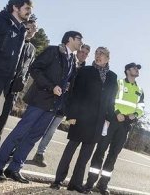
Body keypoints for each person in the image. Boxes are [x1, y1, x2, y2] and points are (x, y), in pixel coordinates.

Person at [0, 31, 82, 183]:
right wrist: (51, 86)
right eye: (79, 39)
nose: (81, 42)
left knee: (33, 138)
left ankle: (14, 169)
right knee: (19, 133)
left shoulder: (73, 60)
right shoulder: (53, 51)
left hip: (53, 106)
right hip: (39, 100)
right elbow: (35, 69)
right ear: (70, 39)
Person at [50, 47, 117, 193]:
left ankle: (76, 183)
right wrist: (72, 115)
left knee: (85, 155)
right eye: (97, 53)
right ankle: (58, 180)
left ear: (108, 58)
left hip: (98, 121)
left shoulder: (112, 77)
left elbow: (111, 100)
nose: (98, 55)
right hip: (81, 117)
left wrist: (109, 118)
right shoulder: (85, 71)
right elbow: (75, 93)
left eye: (102, 53)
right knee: (70, 151)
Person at [84, 62, 145, 195]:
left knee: (113, 156)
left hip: (125, 126)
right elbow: (110, 99)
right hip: (112, 121)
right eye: (135, 68)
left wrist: (134, 115)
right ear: (128, 71)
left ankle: (103, 184)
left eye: (138, 69)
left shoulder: (140, 90)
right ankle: (90, 183)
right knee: (100, 151)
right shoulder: (118, 83)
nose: (137, 70)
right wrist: (117, 113)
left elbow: (141, 108)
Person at [32, 44, 91, 167]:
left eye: (86, 53)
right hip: (51, 99)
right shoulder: (68, 60)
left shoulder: (85, 70)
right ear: (77, 51)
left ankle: (39, 154)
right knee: (37, 126)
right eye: (82, 51)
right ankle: (17, 148)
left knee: (51, 130)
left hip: (65, 105)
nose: (83, 54)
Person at [0, 15, 38, 154]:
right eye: (28, 28)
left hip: (14, 88)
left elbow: (28, 68)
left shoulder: (32, 49)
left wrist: (23, 81)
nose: (30, 31)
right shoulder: (15, 39)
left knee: (3, 117)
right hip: (1, 82)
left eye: (33, 29)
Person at [0, 0, 32, 124]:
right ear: (15, 7)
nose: (29, 12)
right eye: (27, 8)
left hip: (3, 85)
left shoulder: (21, 31)